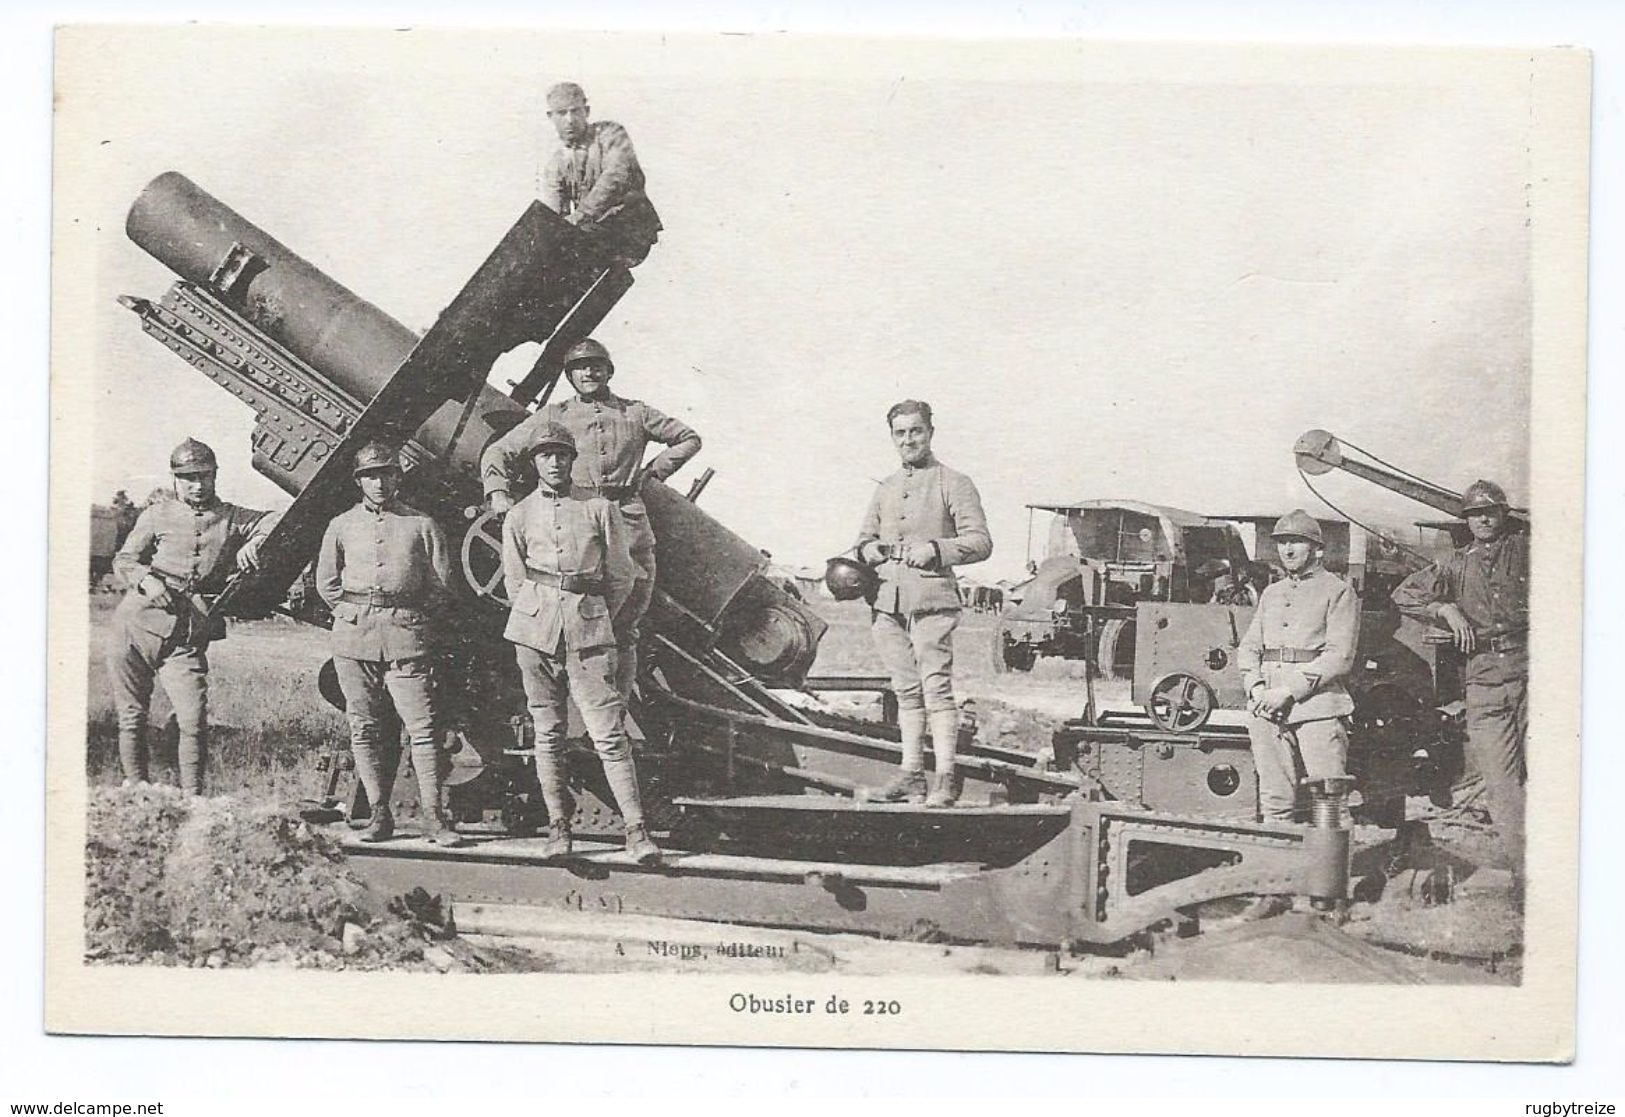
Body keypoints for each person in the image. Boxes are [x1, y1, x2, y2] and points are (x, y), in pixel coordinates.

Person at [483, 337, 701, 699]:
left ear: (608, 371)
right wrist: (498, 494)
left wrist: (655, 472)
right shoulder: (557, 415)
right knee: (569, 624)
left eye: (596, 366)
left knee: (625, 628)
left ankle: (614, 708)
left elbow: (688, 438)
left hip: (629, 524)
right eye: (580, 368)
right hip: (575, 528)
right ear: (570, 375)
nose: (589, 373)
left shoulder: (636, 413)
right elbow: (500, 451)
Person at [500, 421, 660, 864]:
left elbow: (622, 575)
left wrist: (592, 613)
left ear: (573, 460)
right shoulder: (518, 515)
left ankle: (636, 830)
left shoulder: (598, 509)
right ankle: (558, 827)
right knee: (547, 733)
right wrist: (539, 614)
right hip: (534, 634)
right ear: (534, 462)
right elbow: (515, 580)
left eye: (563, 454)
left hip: (588, 631)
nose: (555, 462)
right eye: (546, 455)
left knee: (609, 734)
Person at [107, 438, 275, 793]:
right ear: (175, 480)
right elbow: (124, 560)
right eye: (189, 478)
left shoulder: (230, 516)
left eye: (205, 477)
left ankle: (193, 800)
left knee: (193, 719)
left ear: (215, 477)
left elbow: (273, 520)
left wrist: (253, 542)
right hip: (135, 625)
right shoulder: (157, 514)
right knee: (132, 715)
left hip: (185, 635)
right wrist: (147, 581)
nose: (198, 485)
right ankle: (137, 791)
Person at [316, 441, 462, 847]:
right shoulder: (341, 526)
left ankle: (435, 816)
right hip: (354, 637)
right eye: (370, 475)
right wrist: (356, 612)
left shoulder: (421, 525)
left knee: (423, 728)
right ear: (359, 481)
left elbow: (440, 585)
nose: (379, 482)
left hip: (406, 638)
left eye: (387, 473)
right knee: (363, 727)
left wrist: (407, 615)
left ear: (399, 477)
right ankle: (379, 813)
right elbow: (327, 584)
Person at [853, 400, 992, 808]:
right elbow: (860, 541)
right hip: (886, 604)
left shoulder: (954, 482)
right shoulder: (886, 488)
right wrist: (870, 551)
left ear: (930, 432)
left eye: (915, 431)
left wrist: (936, 548)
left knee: (936, 690)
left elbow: (980, 541)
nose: (908, 440)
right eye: (900, 433)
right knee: (906, 692)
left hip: (931, 602)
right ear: (892, 438)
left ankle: (946, 778)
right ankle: (912, 775)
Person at [1392, 480, 1527, 881]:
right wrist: (1443, 608)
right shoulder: (1456, 563)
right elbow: (1405, 594)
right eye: (1473, 514)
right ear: (1465, 521)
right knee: (1501, 783)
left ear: (1504, 513)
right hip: (1484, 680)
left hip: (1534, 673)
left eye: (1489, 511)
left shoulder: (1527, 551)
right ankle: (1526, 873)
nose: (1482, 519)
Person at [1235, 510, 1361, 823]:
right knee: (1275, 803)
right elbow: (1250, 647)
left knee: (1329, 803)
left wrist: (1288, 691)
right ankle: (1283, 870)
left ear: (1317, 549)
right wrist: (1256, 687)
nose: (1287, 550)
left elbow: (1340, 656)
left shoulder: (1338, 591)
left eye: (1297, 542)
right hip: (1266, 710)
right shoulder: (1271, 593)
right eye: (1282, 542)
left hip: (1317, 708)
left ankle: (1331, 873)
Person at [538, 81, 663, 268]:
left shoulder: (611, 134)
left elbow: (616, 176)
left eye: (575, 111)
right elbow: (553, 213)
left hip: (630, 229)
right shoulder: (556, 163)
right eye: (562, 113)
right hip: (595, 233)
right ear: (551, 116)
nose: (570, 120)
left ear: (586, 112)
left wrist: (581, 215)